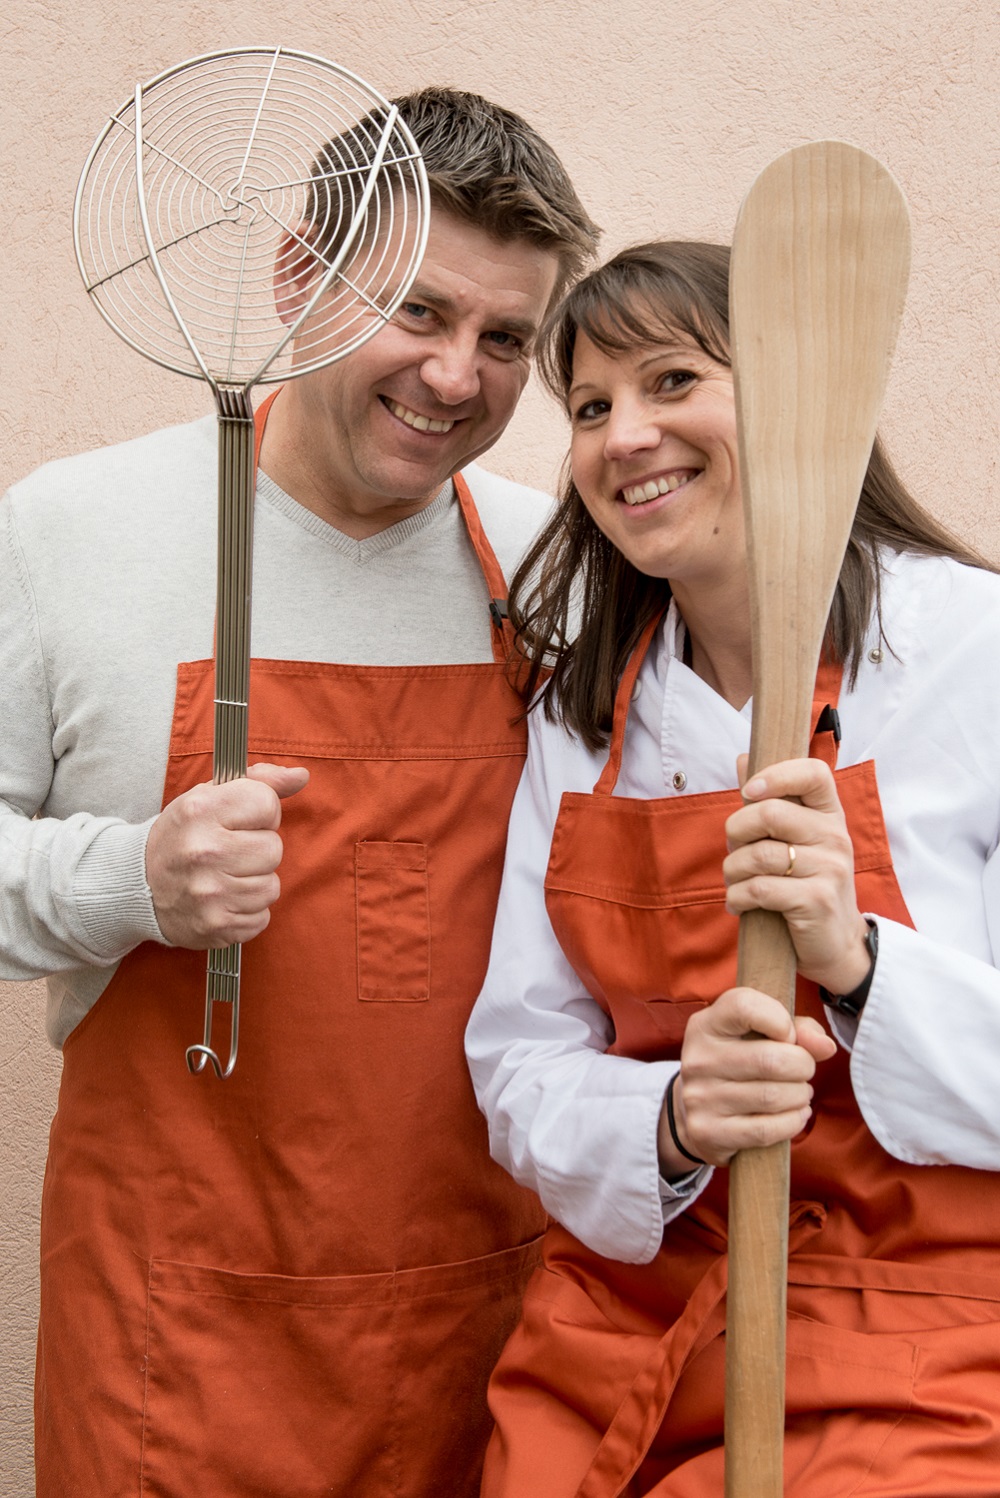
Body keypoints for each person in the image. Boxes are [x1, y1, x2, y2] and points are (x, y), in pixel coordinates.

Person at [1, 87, 599, 1497]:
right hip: (172, 1340)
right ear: (296, 276)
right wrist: (130, 885)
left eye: (505, 338)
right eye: (418, 309)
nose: (458, 377)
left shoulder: (558, 568)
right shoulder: (70, 528)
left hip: (480, 1318)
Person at [466, 240, 1000, 1496]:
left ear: (798, 394)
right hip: (618, 1329)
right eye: (590, 406)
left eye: (671, 380)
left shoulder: (972, 656)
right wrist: (667, 1119)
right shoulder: (581, 714)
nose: (622, 434)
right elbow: (515, 1065)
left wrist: (858, 966)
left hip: (921, 1335)